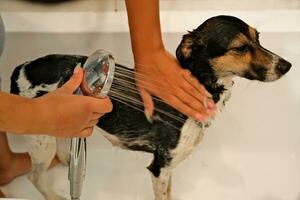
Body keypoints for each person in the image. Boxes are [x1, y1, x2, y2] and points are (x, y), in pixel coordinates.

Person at [0, 0, 215, 197]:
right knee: (42, 158)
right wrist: (39, 116)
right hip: (31, 86)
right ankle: (38, 182)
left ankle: (5, 164)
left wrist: (149, 47)